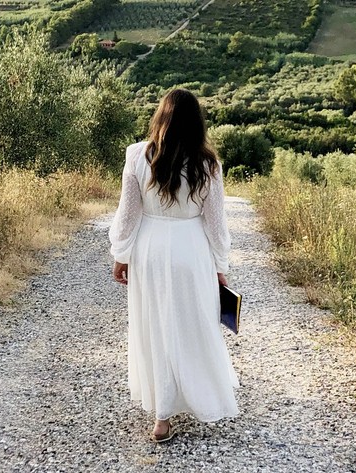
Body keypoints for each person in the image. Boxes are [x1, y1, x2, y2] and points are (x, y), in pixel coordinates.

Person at [109, 89, 239, 443]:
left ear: (160, 117)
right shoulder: (208, 164)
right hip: (191, 250)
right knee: (194, 324)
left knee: (156, 326)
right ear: (197, 122)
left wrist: (121, 254)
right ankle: (201, 394)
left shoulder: (138, 155)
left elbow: (128, 213)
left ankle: (162, 417)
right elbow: (216, 224)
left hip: (149, 250)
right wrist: (220, 265)